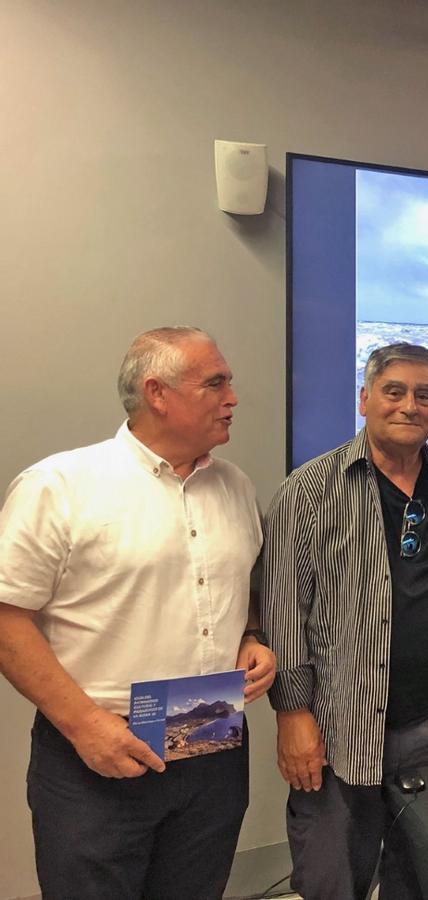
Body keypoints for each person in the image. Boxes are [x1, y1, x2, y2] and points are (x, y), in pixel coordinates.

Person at [0, 327, 275, 900]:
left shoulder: (235, 486)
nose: (233, 398)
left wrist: (250, 635)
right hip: (96, 751)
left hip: (212, 744)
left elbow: (239, 586)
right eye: (215, 383)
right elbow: (7, 619)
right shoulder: (61, 486)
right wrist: (84, 726)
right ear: (158, 393)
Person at [261, 342, 428, 900]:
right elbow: (283, 610)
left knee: (427, 878)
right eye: (394, 392)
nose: (409, 406)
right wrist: (294, 715)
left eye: (425, 395)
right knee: (331, 880)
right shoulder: (309, 492)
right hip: (340, 729)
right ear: (365, 399)